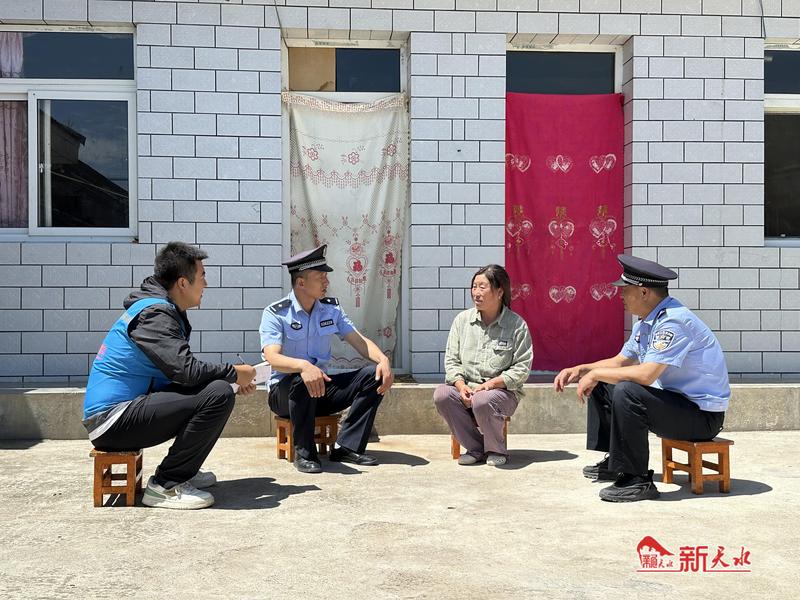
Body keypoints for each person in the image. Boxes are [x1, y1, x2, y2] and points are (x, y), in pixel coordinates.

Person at [83, 242, 256, 510]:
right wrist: (233, 373)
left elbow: (180, 375)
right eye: (202, 276)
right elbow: (186, 371)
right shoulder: (155, 314)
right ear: (183, 283)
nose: (206, 284)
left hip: (123, 412)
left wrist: (233, 380)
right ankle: (166, 485)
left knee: (219, 389)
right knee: (218, 393)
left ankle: (184, 470)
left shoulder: (159, 309)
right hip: (112, 420)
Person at [553, 254, 730, 502]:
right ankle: (616, 462)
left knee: (627, 390)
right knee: (605, 383)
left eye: (625, 290)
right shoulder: (647, 322)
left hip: (702, 417)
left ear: (644, 292)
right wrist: (581, 369)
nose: (620, 296)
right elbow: (621, 362)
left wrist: (595, 373)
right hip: (677, 405)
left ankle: (636, 479)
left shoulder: (673, 322)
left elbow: (646, 375)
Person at [259, 244, 394, 474]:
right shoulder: (276, 313)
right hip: (284, 393)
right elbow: (272, 357)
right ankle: (305, 454)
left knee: (374, 375)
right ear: (301, 282)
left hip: (320, 389)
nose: (326, 282)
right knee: (302, 379)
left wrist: (383, 360)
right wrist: (303, 366)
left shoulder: (331, 310)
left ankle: (347, 446)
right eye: (320, 277)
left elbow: (359, 341)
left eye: (326, 276)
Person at [433, 264, 533, 467]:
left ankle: (496, 450)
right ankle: (477, 448)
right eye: (474, 286)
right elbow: (451, 361)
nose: (476, 292)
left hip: (501, 393)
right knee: (442, 395)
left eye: (482, 287)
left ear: (499, 292)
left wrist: (491, 385)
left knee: (483, 399)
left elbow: (522, 368)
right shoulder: (462, 321)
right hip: (466, 389)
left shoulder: (516, 325)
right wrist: (461, 385)